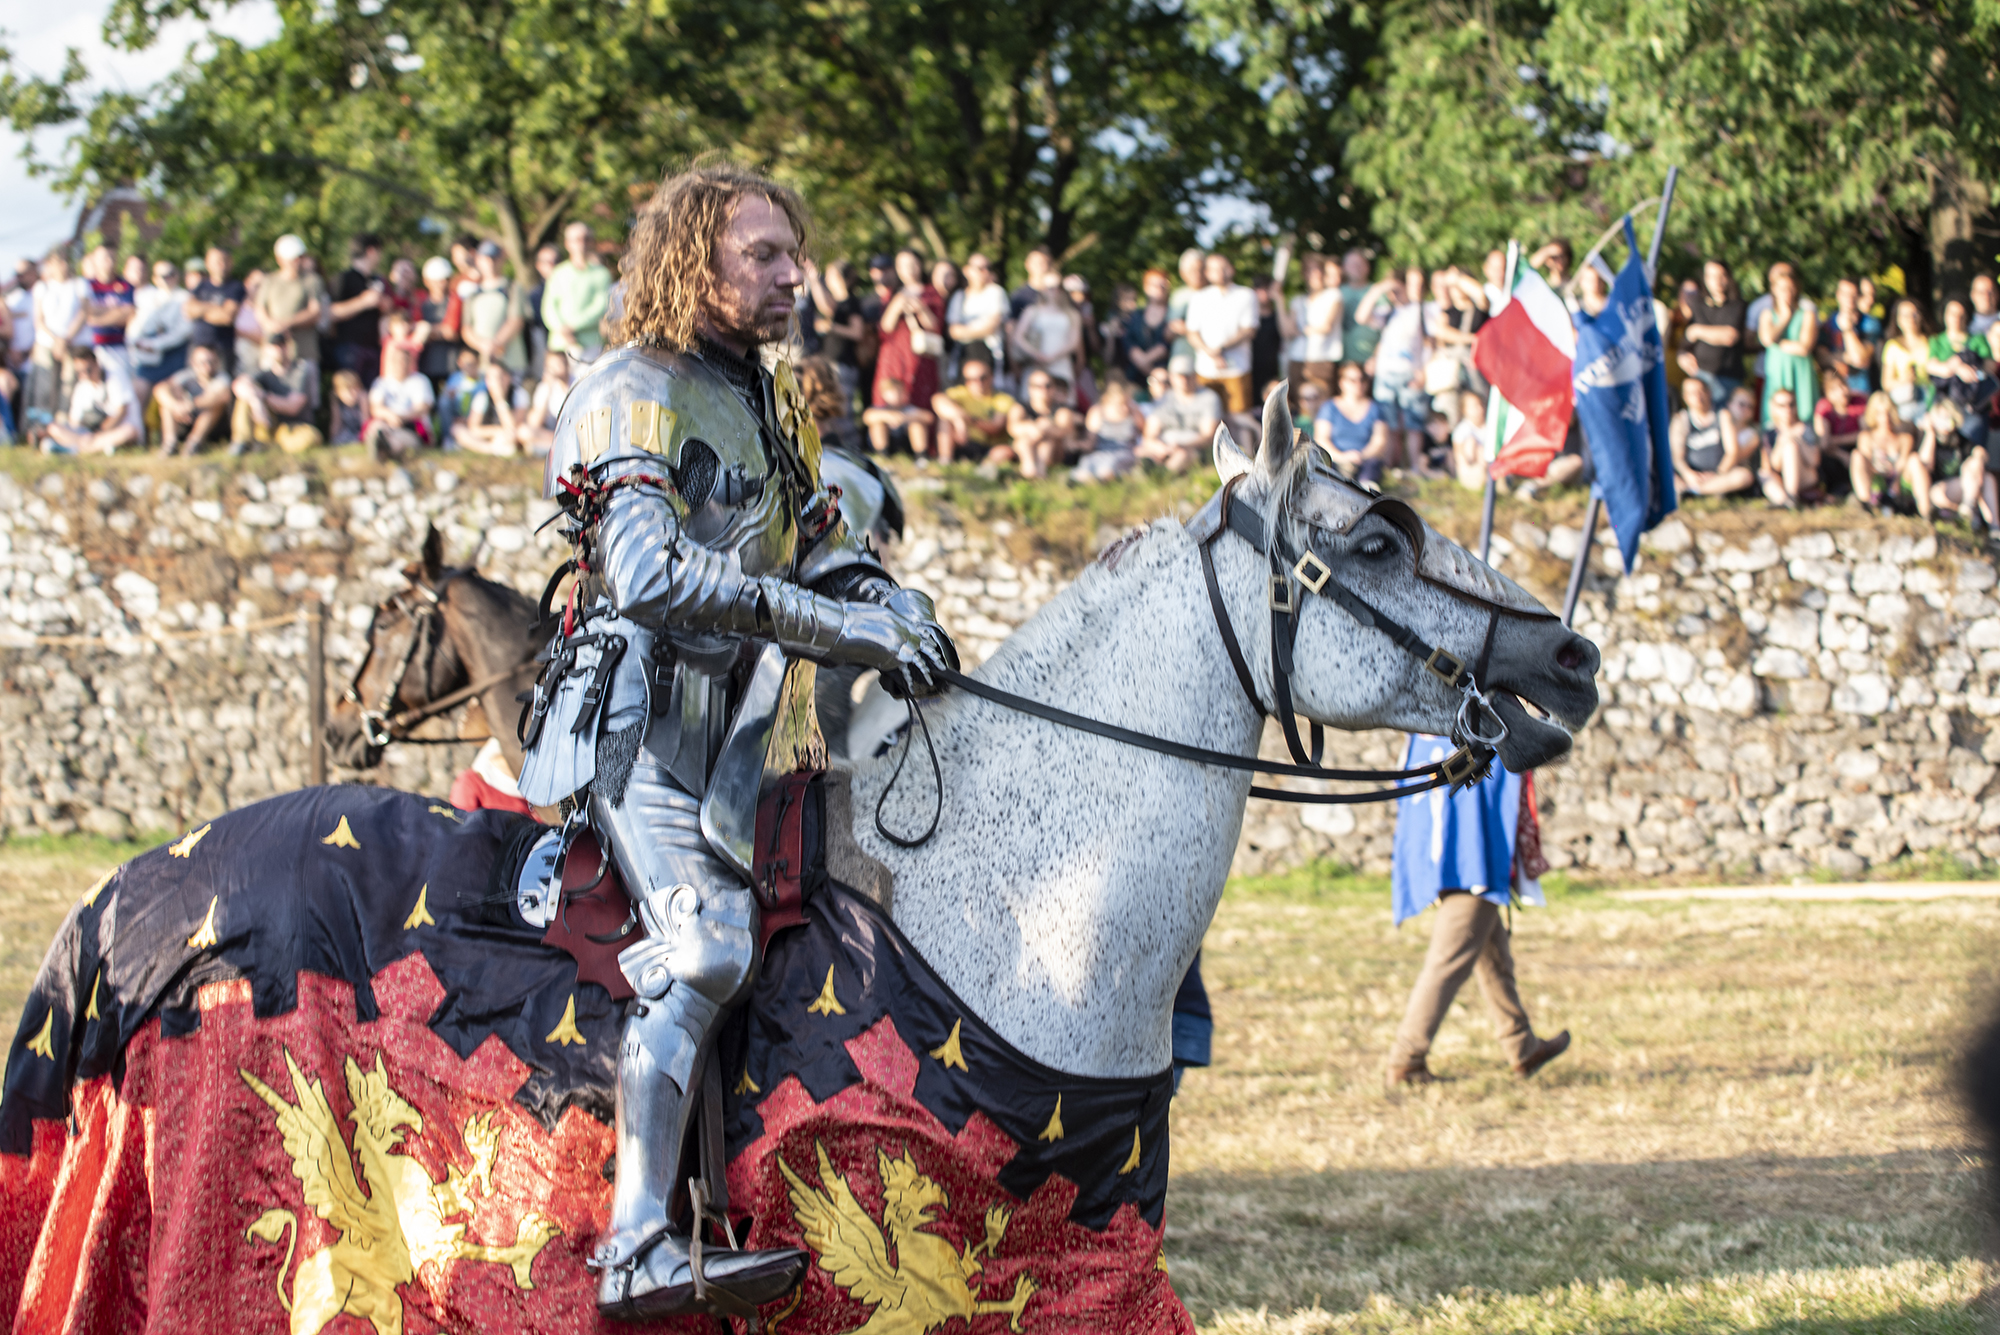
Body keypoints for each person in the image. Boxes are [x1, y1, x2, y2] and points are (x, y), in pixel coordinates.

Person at [511, 161, 953, 1322]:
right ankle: (635, 1245)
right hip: (642, 724)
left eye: (792, 253)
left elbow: (813, 542)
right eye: (762, 255)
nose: (792, 275)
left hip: (749, 729)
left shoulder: (763, 395)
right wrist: (839, 629)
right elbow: (648, 576)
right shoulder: (628, 390)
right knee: (707, 944)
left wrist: (888, 604)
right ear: (691, 264)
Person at [1385, 736, 1568, 1087]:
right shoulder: (1479, 734)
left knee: (1494, 957)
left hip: (1448, 859)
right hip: (1471, 861)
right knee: (1447, 962)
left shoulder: (1422, 738)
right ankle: (1406, 1061)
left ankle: (1522, 1045)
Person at [1355, 266, 1429, 465]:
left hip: (1411, 373)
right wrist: (1379, 289)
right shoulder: (1387, 313)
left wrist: (1423, 370)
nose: (1394, 294)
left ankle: (1414, 467)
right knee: (1388, 424)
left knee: (1413, 424)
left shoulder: (1420, 310)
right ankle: (1389, 467)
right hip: (1386, 374)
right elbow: (1361, 317)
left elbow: (1430, 343)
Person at [1184, 253, 1258, 418]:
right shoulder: (1198, 298)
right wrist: (1210, 352)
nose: (1220, 272)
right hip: (1206, 370)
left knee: (1239, 418)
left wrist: (1221, 349)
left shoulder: (1246, 295)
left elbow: (1248, 330)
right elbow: (1192, 333)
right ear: (1207, 273)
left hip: (1237, 368)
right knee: (1208, 417)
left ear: (1231, 269)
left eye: (1223, 267)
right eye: (1214, 269)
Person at [873, 249, 944, 414]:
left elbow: (935, 326)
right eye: (903, 265)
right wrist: (897, 305)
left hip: (921, 355)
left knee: (920, 402)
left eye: (912, 264)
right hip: (894, 356)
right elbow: (885, 328)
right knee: (889, 401)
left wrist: (920, 307)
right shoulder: (891, 294)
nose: (908, 269)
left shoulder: (932, 293)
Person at [230, 334, 322, 454]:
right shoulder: (264, 374)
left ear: (288, 347)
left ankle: (270, 447)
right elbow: (238, 385)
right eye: (274, 346)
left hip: (295, 426)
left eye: (281, 345)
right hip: (269, 426)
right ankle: (242, 441)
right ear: (266, 349)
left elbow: (293, 407)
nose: (278, 350)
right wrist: (256, 401)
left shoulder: (300, 370)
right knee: (245, 397)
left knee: (311, 438)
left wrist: (264, 397)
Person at [1669, 376, 1756, 498]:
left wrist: (1718, 473)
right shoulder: (1681, 419)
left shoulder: (1723, 415)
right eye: (1692, 393)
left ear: (1709, 392)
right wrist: (1688, 474)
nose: (1698, 396)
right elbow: (1677, 457)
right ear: (1685, 397)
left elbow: (1732, 452)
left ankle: (1694, 491)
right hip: (1689, 475)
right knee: (1668, 475)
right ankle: (1704, 489)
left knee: (1744, 476)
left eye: (1701, 391)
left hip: (1719, 474)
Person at [1678, 259, 1747, 407]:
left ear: (1728, 277)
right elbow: (1686, 341)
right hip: (1700, 376)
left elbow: (1729, 336)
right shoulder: (1697, 305)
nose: (1717, 280)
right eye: (1712, 276)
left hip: (1728, 378)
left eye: (1721, 275)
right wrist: (1682, 356)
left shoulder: (1737, 305)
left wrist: (1697, 330)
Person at [544, 221, 613, 368]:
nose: (582, 244)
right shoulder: (558, 273)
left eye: (586, 239)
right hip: (560, 343)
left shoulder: (602, 273)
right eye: (577, 239)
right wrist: (562, 329)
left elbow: (600, 306)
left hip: (590, 344)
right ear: (567, 243)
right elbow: (549, 307)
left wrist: (573, 326)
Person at [1136, 355, 1219, 475]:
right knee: (1141, 451)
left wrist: (1181, 446)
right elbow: (1149, 434)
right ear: (1172, 377)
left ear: (1194, 375)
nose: (1184, 380)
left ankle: (1164, 476)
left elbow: (1208, 436)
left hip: (1194, 447)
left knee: (1182, 455)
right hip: (1166, 446)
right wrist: (1160, 447)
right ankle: (1151, 474)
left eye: (1187, 375)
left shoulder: (1208, 398)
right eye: (1179, 376)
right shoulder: (1164, 399)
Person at [1758, 261, 1818, 426]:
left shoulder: (1807, 313)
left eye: (1790, 288)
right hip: (1777, 371)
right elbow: (1767, 339)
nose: (1787, 293)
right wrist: (1785, 317)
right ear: (1774, 290)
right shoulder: (1767, 314)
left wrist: (1778, 343)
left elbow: (1804, 348)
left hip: (1800, 372)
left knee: (1804, 415)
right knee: (1774, 418)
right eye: (1783, 289)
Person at [254, 235, 327, 371]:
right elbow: (260, 310)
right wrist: (271, 325)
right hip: (273, 353)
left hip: (303, 353)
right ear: (280, 259)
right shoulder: (269, 281)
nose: (297, 261)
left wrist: (286, 324)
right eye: (293, 258)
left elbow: (315, 312)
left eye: (300, 257)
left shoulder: (312, 281)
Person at [1922, 396, 1994, 532]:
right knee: (1940, 493)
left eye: (1948, 417)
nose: (1945, 421)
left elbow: (1979, 452)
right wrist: (1930, 433)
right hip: (1936, 492)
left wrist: (1979, 457)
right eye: (1941, 417)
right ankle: (1967, 514)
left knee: (1986, 476)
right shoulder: (1927, 437)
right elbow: (1926, 464)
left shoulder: (1960, 439)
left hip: (1964, 489)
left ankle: (1994, 528)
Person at [1313, 362, 1393, 484]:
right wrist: (1342, 457)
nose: (1358, 384)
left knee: (1368, 482)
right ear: (1341, 382)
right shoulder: (1329, 408)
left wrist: (1359, 456)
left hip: (1366, 462)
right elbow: (1321, 439)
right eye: (1352, 380)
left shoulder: (1376, 409)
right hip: (1334, 462)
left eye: (1362, 379)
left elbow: (1380, 441)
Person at [930, 351, 1017, 463]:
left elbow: (996, 427)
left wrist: (968, 419)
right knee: (945, 419)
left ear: (991, 377)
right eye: (972, 379)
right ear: (966, 381)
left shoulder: (1002, 399)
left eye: (983, 378)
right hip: (963, 441)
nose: (978, 382)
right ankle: (945, 460)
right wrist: (958, 419)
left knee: (1005, 451)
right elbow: (937, 400)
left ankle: (984, 468)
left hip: (988, 446)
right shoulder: (961, 393)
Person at [1930, 298, 1997, 441]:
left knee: (1975, 439)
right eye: (1952, 313)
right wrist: (1958, 367)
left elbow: (1990, 366)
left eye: (1960, 314)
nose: (1956, 318)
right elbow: (1931, 366)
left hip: (1972, 404)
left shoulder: (1977, 339)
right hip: (1945, 405)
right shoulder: (1936, 341)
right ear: (1944, 315)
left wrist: (1972, 369)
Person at [1851, 391, 1926, 516]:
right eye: (1880, 413)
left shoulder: (1905, 438)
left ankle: (1925, 511)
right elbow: (1865, 464)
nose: (1885, 418)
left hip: (1898, 483)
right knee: (1856, 455)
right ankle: (1865, 505)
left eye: (1888, 412)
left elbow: (1902, 463)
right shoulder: (1866, 437)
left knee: (1914, 459)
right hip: (1876, 481)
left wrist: (1895, 478)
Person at [461, 240, 528, 378]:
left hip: (512, 363)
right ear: (478, 260)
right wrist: (483, 345)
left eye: (494, 258)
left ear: (501, 260)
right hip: (483, 365)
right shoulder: (472, 294)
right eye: (485, 258)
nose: (490, 262)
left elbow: (516, 320)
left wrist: (495, 344)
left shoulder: (513, 288)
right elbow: (466, 329)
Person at [130, 257, 194, 399]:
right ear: (155, 278)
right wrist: (135, 341)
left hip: (174, 354)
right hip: (147, 356)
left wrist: (155, 344)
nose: (167, 279)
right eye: (162, 276)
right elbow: (137, 324)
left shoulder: (185, 297)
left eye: (171, 274)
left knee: (170, 395)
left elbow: (183, 331)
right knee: (139, 391)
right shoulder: (146, 296)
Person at [153, 343, 233, 456]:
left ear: (217, 362)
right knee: (166, 405)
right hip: (185, 420)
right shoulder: (186, 376)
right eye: (202, 362)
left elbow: (220, 396)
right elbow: (160, 389)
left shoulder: (222, 378)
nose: (207, 366)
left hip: (215, 427)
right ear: (193, 363)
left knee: (214, 407)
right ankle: (170, 443)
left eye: (211, 361)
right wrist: (176, 406)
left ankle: (193, 444)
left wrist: (191, 405)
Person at [808, 259, 868, 406]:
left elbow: (858, 332)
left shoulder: (851, 303)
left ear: (843, 278)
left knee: (841, 409)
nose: (827, 279)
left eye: (831, 275)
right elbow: (824, 305)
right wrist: (814, 280)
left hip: (844, 366)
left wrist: (831, 327)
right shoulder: (838, 304)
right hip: (832, 365)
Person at [1000, 367, 1080, 477]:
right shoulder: (1020, 407)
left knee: (1047, 442)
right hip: (1028, 446)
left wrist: (1046, 428)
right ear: (1030, 388)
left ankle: (1036, 471)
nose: (1043, 389)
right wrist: (1032, 427)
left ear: (1054, 387)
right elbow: (1012, 428)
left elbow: (1065, 431)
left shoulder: (1062, 410)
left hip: (1055, 453)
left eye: (1047, 385)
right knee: (1024, 440)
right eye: (1038, 386)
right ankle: (1030, 469)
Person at [329, 234, 387, 387]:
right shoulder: (343, 278)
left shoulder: (377, 280)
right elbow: (332, 313)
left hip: (373, 349)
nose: (380, 257)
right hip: (349, 349)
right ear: (371, 251)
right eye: (379, 252)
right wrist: (363, 302)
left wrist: (384, 305)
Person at [1008, 282, 1082, 399]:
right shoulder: (1032, 311)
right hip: (1036, 364)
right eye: (1050, 288)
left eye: (1057, 288)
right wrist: (1036, 355)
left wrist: (1053, 357)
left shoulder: (1072, 314)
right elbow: (1018, 337)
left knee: (1062, 400)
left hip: (1061, 365)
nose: (1054, 291)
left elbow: (1074, 342)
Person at [946, 253, 1009, 387]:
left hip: (989, 353)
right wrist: (980, 327)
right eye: (980, 268)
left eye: (988, 268)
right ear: (967, 271)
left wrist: (964, 331)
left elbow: (991, 326)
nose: (985, 272)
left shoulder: (996, 292)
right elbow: (953, 332)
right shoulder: (959, 297)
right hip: (963, 355)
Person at [366, 341, 437, 458]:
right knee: (376, 427)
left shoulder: (420, 380)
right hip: (387, 423)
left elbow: (423, 408)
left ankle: (385, 449)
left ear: (411, 362)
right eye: (398, 360)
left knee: (398, 439)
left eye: (405, 360)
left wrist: (400, 418)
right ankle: (382, 447)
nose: (401, 364)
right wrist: (390, 416)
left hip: (411, 425)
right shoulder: (381, 382)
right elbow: (375, 408)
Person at [184, 246, 244, 376]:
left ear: (231, 263)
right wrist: (216, 308)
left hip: (222, 350)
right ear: (208, 263)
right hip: (197, 348)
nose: (221, 265)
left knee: (223, 383)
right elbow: (188, 311)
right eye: (217, 261)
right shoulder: (201, 285)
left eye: (224, 261)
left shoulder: (235, 287)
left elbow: (227, 317)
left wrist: (201, 310)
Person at [1072, 376, 1144, 482]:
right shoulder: (1097, 412)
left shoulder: (1134, 411)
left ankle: (1101, 480)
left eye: (1126, 403)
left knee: (1108, 467)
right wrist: (1075, 444)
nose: (1124, 408)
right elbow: (1090, 442)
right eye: (1120, 404)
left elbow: (1145, 434)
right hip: (1101, 452)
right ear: (1107, 400)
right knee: (1086, 465)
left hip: (1124, 453)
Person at [1759, 387, 1821, 508]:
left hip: (1805, 478)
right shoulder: (1769, 433)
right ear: (1773, 407)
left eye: (1791, 404)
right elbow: (1772, 466)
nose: (1787, 409)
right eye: (1781, 405)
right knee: (1762, 473)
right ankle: (1785, 501)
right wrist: (1783, 439)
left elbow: (1814, 461)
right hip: (1781, 480)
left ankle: (1791, 497)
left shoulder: (1805, 429)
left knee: (1791, 447)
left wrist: (1797, 440)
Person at [449, 361, 528, 456]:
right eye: (490, 378)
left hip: (509, 437)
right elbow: (473, 428)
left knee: (519, 433)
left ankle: (493, 448)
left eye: (498, 377)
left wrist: (500, 400)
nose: (495, 382)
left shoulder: (519, 394)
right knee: (457, 430)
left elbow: (513, 427)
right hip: (489, 436)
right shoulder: (482, 397)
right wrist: (496, 431)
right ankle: (490, 449)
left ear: (507, 378)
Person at [1289, 254, 1342, 392]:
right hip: (1297, 358)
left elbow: (1326, 327)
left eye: (1318, 269)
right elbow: (1289, 331)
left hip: (1322, 360)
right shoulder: (1298, 300)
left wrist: (1302, 330)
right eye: (1309, 270)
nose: (1314, 274)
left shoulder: (1333, 295)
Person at [1817, 277, 1878, 396]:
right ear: (1838, 295)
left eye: (1853, 295)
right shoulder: (1827, 325)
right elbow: (1820, 358)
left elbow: (1859, 359)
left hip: (1861, 392)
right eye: (1845, 294)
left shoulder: (1869, 324)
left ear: (1859, 296)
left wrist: (1847, 329)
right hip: (1835, 393)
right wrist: (1845, 357)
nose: (1849, 299)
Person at [1881, 298, 1933, 425]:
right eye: (1905, 315)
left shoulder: (1931, 342)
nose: (1910, 319)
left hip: (1928, 398)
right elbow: (1886, 383)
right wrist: (1904, 380)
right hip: (1904, 400)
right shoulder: (1892, 346)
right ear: (1897, 319)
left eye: (1914, 314)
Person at [415, 256, 464, 389]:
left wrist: (426, 331)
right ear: (426, 281)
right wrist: (437, 330)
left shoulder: (455, 300)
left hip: (452, 366)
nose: (442, 284)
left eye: (445, 280)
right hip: (426, 367)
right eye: (437, 281)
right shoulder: (420, 303)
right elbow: (415, 334)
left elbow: (451, 332)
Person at [1122, 268, 1172, 390]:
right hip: (1135, 380)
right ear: (1146, 287)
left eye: (1163, 285)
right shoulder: (1136, 315)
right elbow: (1129, 342)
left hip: (1167, 380)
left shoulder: (1173, 314)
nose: (1159, 288)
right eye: (1154, 285)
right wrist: (1150, 371)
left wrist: (1146, 361)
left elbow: (1167, 344)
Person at [1813, 371, 1865, 487]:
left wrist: (1836, 440)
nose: (1843, 391)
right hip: (1835, 453)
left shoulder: (1859, 402)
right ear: (1828, 393)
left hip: (1855, 449)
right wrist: (1842, 456)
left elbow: (1865, 435)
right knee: (1825, 460)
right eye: (1836, 389)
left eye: (1844, 385)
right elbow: (1824, 444)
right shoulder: (1824, 407)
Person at [861, 374, 934, 456]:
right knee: (877, 425)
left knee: (917, 425)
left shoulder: (909, 409)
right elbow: (866, 417)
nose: (896, 396)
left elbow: (929, 417)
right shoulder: (879, 409)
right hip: (888, 443)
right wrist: (889, 416)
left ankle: (921, 456)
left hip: (906, 443)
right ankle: (882, 455)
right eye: (892, 393)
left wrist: (904, 417)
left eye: (899, 392)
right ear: (883, 394)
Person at [517, 349, 571, 456]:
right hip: (553, 434)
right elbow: (534, 423)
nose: (558, 368)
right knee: (523, 431)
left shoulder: (577, 383)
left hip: (574, 430)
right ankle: (559, 447)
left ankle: (547, 448)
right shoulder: (544, 388)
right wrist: (548, 389)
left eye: (560, 363)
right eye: (553, 365)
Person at [1336, 247, 1379, 371]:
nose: (1356, 267)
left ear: (1367, 267)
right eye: (1352, 264)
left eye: (1360, 264)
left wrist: (1377, 356)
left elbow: (1386, 328)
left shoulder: (1377, 293)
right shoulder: (1337, 293)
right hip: (1341, 363)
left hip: (1370, 363)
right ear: (1344, 268)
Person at [523, 242, 559, 382]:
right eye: (546, 262)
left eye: (555, 261)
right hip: (545, 349)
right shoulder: (534, 295)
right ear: (538, 265)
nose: (552, 265)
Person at [1165, 247, 1205, 364]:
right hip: (1183, 357)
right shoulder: (1178, 296)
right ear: (1182, 273)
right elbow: (1170, 331)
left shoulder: (1216, 293)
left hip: (1210, 359)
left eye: (1201, 269)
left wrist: (1187, 329)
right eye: (1192, 270)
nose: (1197, 274)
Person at [1249, 272, 1286, 395]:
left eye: (1267, 289)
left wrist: (1279, 299)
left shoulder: (1278, 317)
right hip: (1250, 370)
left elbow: (1286, 333)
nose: (1263, 294)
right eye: (1259, 289)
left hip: (1273, 372)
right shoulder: (1248, 318)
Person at [1451, 388, 1491, 491]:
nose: (1479, 409)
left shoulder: (1490, 427)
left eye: (1480, 405)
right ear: (1464, 410)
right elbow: (1458, 455)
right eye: (1474, 406)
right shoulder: (1462, 430)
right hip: (1469, 466)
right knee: (1471, 442)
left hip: (1487, 465)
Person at [329, 369, 367, 446]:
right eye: (349, 390)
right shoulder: (337, 402)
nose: (353, 393)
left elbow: (365, 421)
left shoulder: (362, 399)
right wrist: (332, 439)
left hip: (361, 431)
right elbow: (336, 422)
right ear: (338, 392)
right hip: (347, 432)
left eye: (356, 389)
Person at [1972, 273, 1999, 341]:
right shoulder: (1965, 324)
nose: (1986, 296)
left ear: (1997, 294)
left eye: (1990, 292)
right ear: (1972, 295)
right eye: (1981, 292)